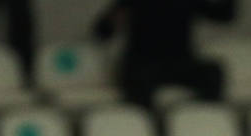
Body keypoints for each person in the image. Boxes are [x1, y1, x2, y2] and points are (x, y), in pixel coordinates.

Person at [92, 0, 236, 110]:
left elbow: (224, 16)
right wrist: (115, 19)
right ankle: (146, 130)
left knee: (212, 72)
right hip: (143, 62)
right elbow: (102, 31)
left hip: (179, 62)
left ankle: (198, 121)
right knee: (138, 79)